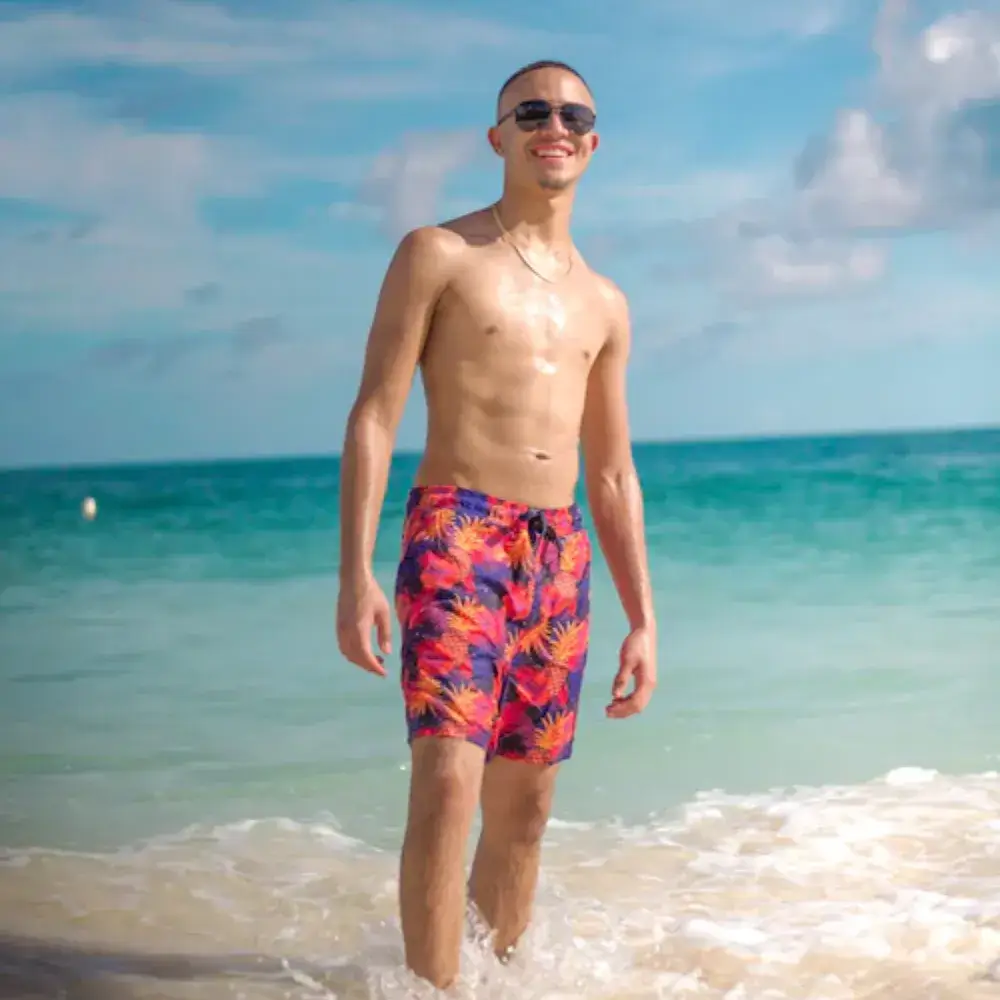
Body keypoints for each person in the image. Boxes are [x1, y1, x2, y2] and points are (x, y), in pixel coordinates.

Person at [336, 59, 657, 990]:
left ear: (592, 144)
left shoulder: (606, 303)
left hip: (558, 554)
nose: (553, 124)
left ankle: (492, 982)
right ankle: (428, 991)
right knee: (447, 783)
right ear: (500, 137)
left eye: (573, 114)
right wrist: (356, 572)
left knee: (526, 808)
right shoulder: (438, 253)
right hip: (456, 534)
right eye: (532, 110)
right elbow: (373, 416)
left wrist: (643, 617)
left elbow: (611, 469)